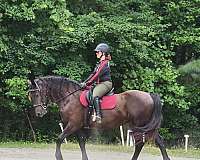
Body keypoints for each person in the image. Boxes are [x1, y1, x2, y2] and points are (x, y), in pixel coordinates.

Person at [81, 43, 113, 124]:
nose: (96, 53)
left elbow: (97, 75)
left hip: (106, 83)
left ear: (103, 53)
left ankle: (99, 115)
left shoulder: (105, 63)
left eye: (98, 52)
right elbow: (92, 74)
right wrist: (84, 83)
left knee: (95, 94)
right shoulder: (99, 63)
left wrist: (88, 83)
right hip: (100, 84)